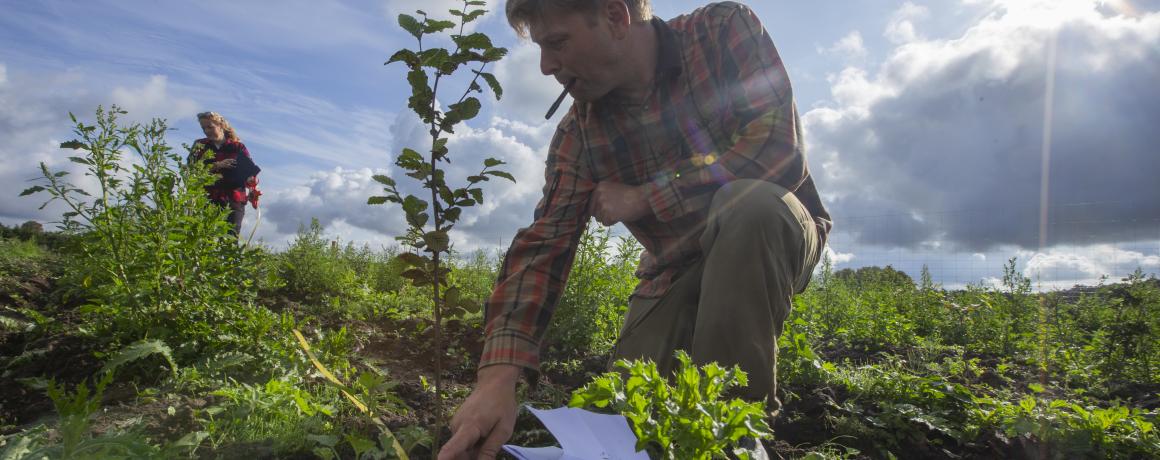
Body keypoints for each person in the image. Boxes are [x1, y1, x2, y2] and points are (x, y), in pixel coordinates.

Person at [440, 1, 831, 458]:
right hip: (673, 268)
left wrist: (648, 194)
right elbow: (545, 245)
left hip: (772, 231)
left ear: (615, 16)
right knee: (630, 423)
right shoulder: (578, 133)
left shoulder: (722, 32)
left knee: (750, 207)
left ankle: (734, 438)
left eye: (557, 42)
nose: (546, 67)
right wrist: (498, 378)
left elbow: (777, 153)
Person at [188, 112, 260, 236]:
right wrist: (217, 165)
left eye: (210, 127)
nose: (206, 131)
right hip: (206, 199)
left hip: (234, 200)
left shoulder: (238, 147)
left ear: (221, 125)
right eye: (203, 128)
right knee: (204, 239)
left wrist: (253, 187)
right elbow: (191, 170)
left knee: (230, 241)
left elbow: (249, 173)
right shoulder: (200, 145)